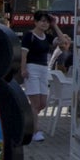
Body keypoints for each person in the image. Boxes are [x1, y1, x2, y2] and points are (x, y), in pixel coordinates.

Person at [19, 12, 67, 142]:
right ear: (35, 22)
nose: (44, 23)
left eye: (46, 21)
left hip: (43, 70)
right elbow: (23, 54)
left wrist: (55, 25)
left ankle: (26, 118)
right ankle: (36, 131)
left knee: (42, 103)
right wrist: (23, 69)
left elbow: (63, 41)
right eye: (42, 21)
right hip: (32, 68)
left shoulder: (47, 37)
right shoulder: (29, 36)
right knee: (35, 103)